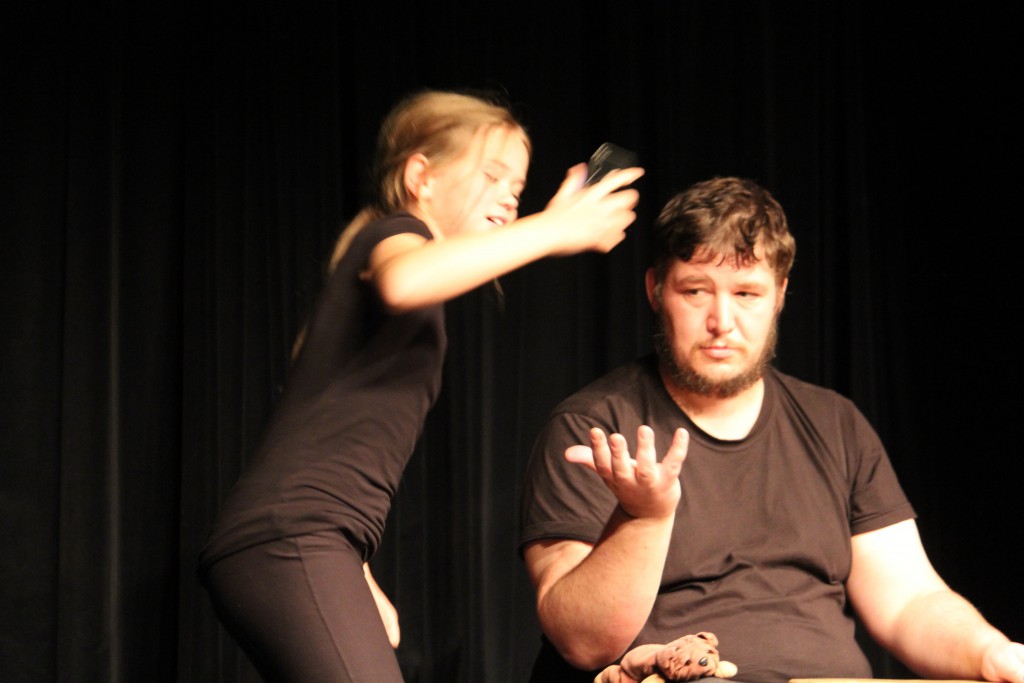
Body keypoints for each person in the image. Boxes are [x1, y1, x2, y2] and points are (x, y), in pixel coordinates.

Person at [197, 89, 643, 682]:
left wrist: (354, 571)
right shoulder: (396, 233)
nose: (510, 195)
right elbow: (404, 281)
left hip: (308, 541)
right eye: (491, 175)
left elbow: (325, 435)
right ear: (420, 177)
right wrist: (553, 229)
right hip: (289, 537)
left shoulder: (393, 268)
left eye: (518, 184)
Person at [519, 177, 1024, 683]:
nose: (722, 320)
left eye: (746, 293)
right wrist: (643, 518)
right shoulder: (592, 428)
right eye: (695, 291)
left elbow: (909, 601)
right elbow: (581, 642)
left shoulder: (836, 423)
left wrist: (990, 653)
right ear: (655, 290)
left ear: (780, 294)